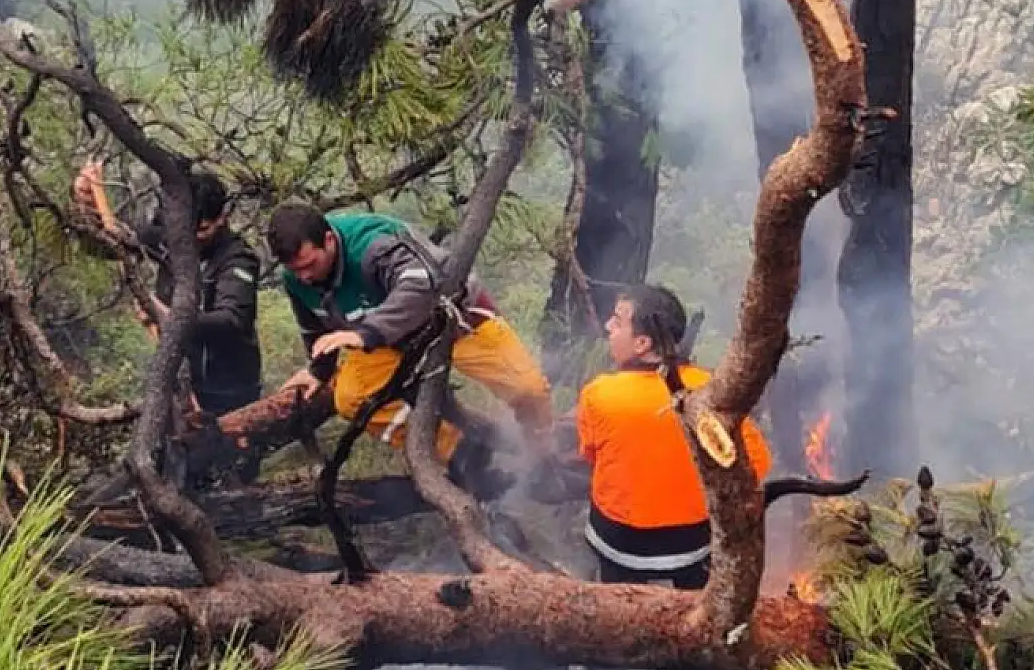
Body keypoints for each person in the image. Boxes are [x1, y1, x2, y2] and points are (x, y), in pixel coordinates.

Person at [266, 203, 554, 491]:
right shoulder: (296, 278)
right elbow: (313, 324)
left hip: (456, 320)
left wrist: (367, 333)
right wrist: (319, 370)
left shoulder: (374, 245)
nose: (304, 276)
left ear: (328, 239)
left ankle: (542, 448)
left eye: (309, 265)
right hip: (390, 340)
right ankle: (461, 452)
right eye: (295, 269)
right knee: (352, 399)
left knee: (528, 388)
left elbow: (420, 286)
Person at [576, 283, 772, 588]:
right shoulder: (712, 391)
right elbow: (757, 464)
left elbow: (589, 454)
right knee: (696, 596)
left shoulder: (599, 393)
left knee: (620, 597)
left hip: (619, 544)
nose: (608, 326)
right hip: (692, 543)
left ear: (641, 343)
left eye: (617, 320)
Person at [74, 162, 263, 418]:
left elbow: (231, 321)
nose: (193, 239)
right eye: (186, 230)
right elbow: (105, 244)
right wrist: (86, 206)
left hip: (229, 394)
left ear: (222, 218)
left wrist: (167, 316)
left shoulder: (238, 260)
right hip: (177, 381)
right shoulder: (171, 238)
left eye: (203, 230)